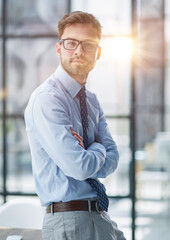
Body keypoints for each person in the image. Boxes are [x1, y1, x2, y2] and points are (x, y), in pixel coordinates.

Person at [24, 11, 126, 240]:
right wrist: (98, 147)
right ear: (59, 48)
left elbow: (114, 159)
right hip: (68, 221)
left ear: (98, 53)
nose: (79, 51)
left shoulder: (91, 100)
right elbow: (79, 167)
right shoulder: (47, 99)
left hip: (101, 216)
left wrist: (89, 152)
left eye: (88, 45)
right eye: (71, 43)